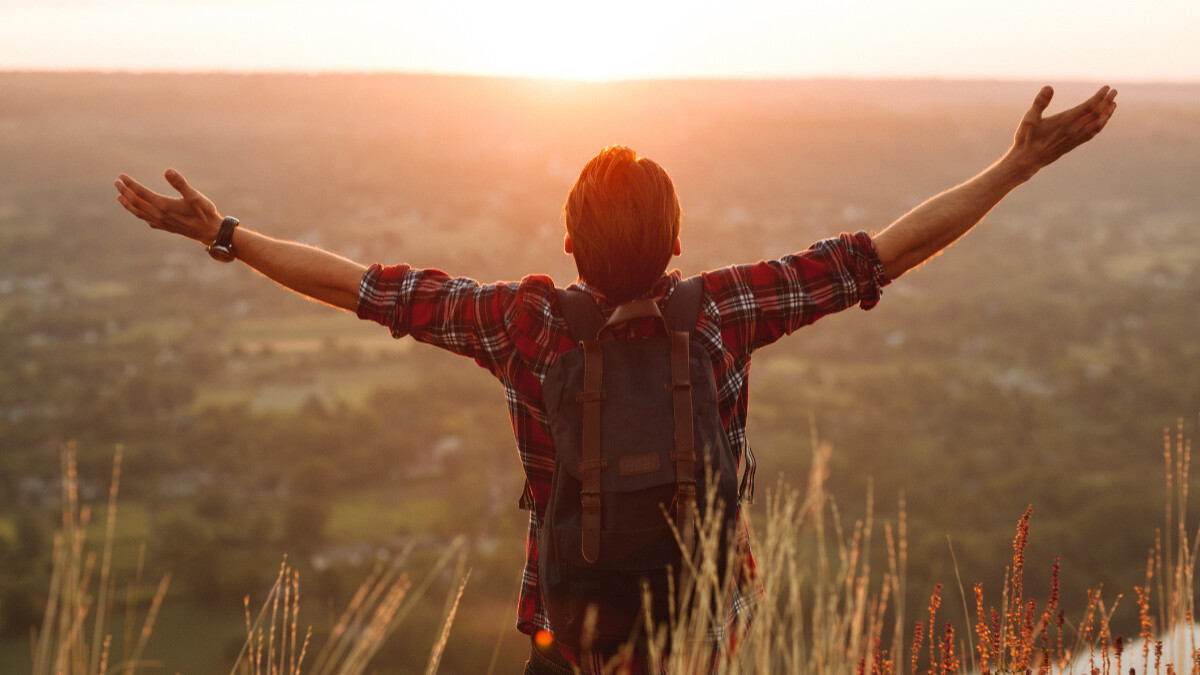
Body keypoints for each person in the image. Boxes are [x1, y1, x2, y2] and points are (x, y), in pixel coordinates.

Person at [114, 84, 1117, 673]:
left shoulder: (523, 323)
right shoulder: (723, 312)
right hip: (699, 633)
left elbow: (362, 286)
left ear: (566, 243)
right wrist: (1014, 167)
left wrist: (227, 235)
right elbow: (881, 254)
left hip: (568, 631)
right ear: (679, 240)